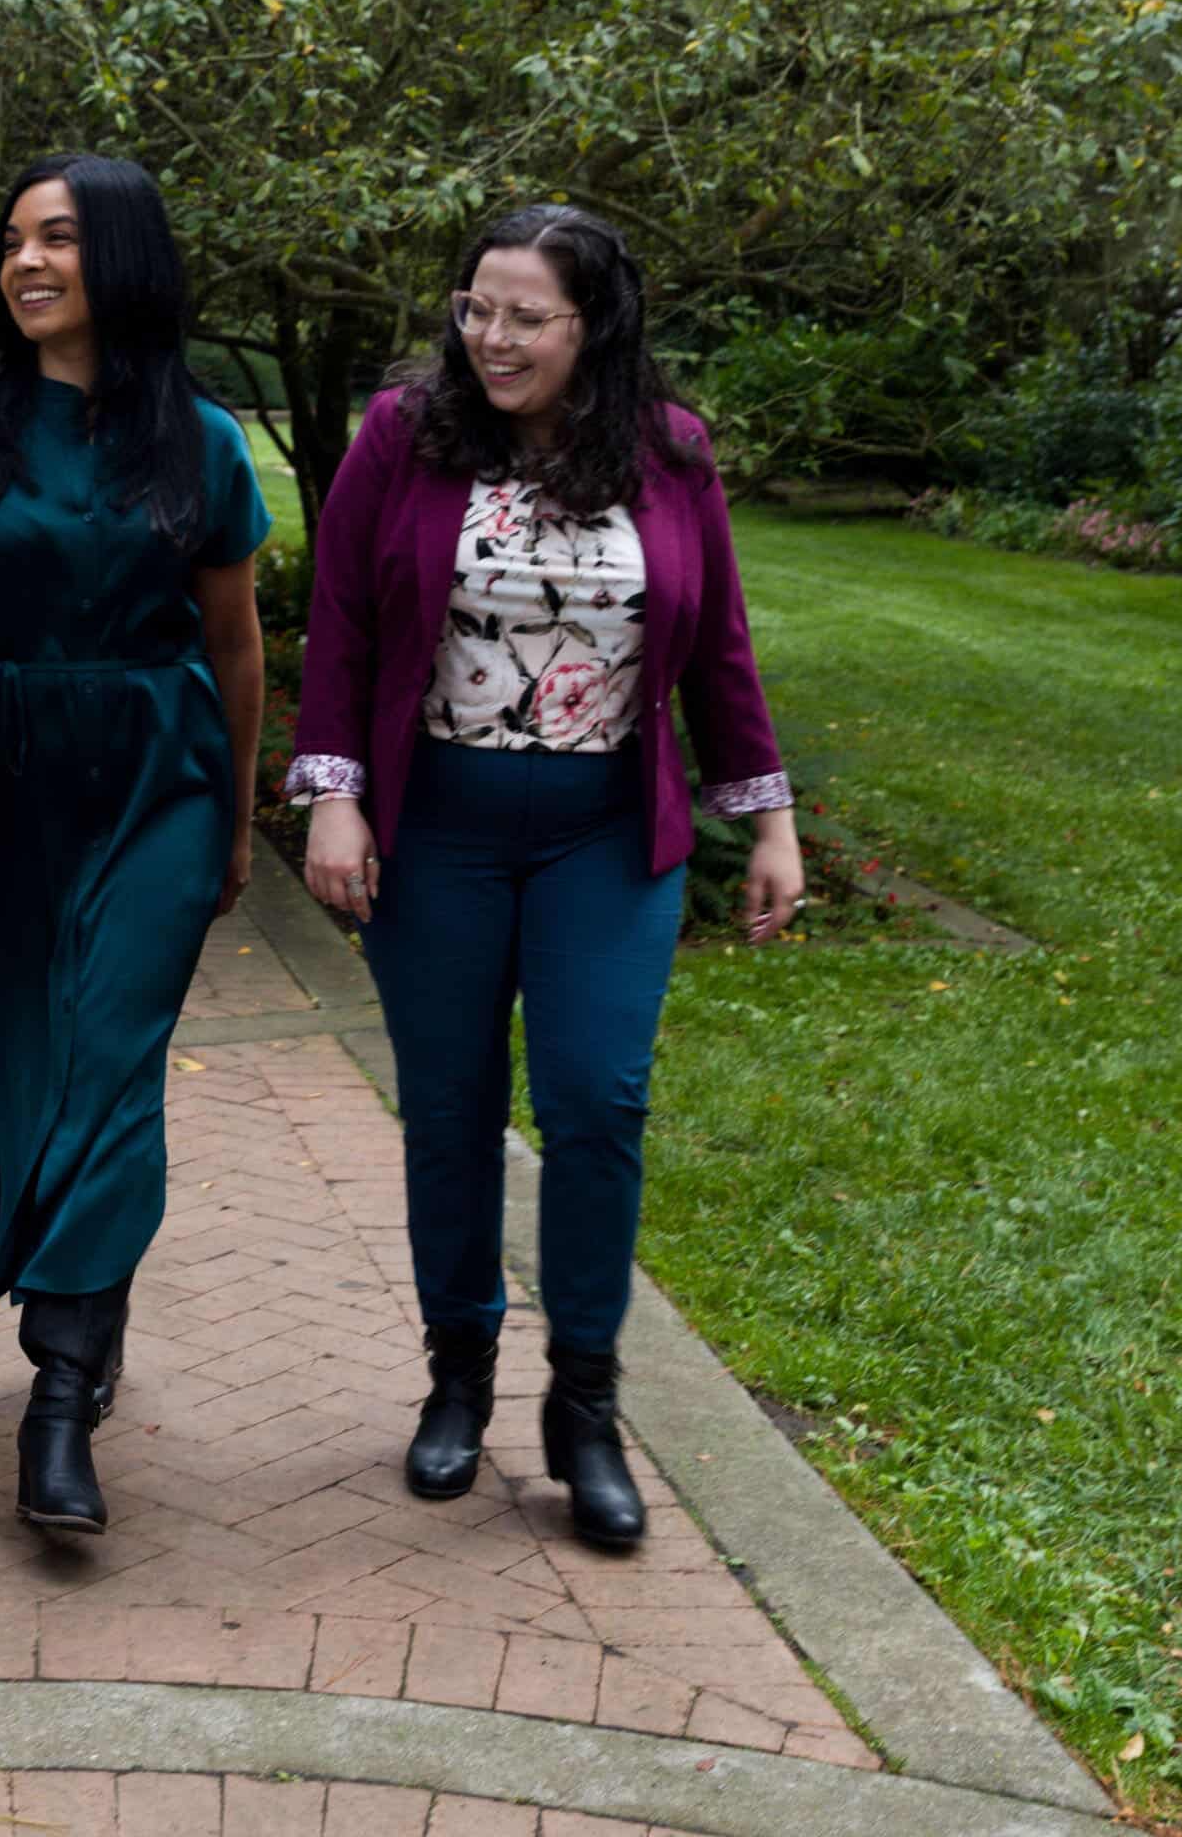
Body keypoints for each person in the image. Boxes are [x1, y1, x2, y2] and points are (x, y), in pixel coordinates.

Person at [287, 204, 803, 1553]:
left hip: (605, 836)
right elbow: (340, 624)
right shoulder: (404, 437)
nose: (494, 338)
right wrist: (334, 799)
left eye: (528, 317)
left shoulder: (667, 452)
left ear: (594, 325)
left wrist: (769, 816)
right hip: (439, 826)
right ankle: (458, 1377)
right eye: (477, 308)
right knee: (449, 1112)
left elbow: (722, 646)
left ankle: (586, 1404)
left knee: (596, 1102)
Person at [0, 152, 269, 1539]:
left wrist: (238, 809)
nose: (26, 263)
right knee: (16, 1053)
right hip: (3, 773)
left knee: (111, 1068)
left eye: (60, 239)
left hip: (158, 774)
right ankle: (89, 1305)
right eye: (12, 240)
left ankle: (61, 1400)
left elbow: (235, 639)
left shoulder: (203, 441)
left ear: (121, 257)